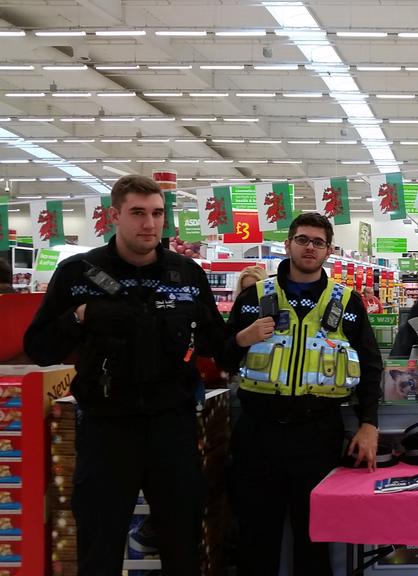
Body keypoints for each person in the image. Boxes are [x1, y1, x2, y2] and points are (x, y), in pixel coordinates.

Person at [23, 174, 225, 576]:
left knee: (181, 542)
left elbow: (213, 341)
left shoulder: (187, 274)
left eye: (156, 214)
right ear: (114, 215)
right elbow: (40, 346)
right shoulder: (78, 272)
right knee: (100, 543)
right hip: (106, 428)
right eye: (137, 213)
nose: (149, 224)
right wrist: (81, 316)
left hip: (173, 425)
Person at [219, 213, 383, 576]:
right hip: (258, 436)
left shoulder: (347, 303)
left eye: (318, 242)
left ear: (328, 250)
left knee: (314, 541)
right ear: (289, 243)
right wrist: (242, 339)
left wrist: (369, 423)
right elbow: (222, 356)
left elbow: (370, 368)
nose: (310, 247)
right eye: (303, 239)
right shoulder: (253, 297)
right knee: (256, 540)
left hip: (317, 435)